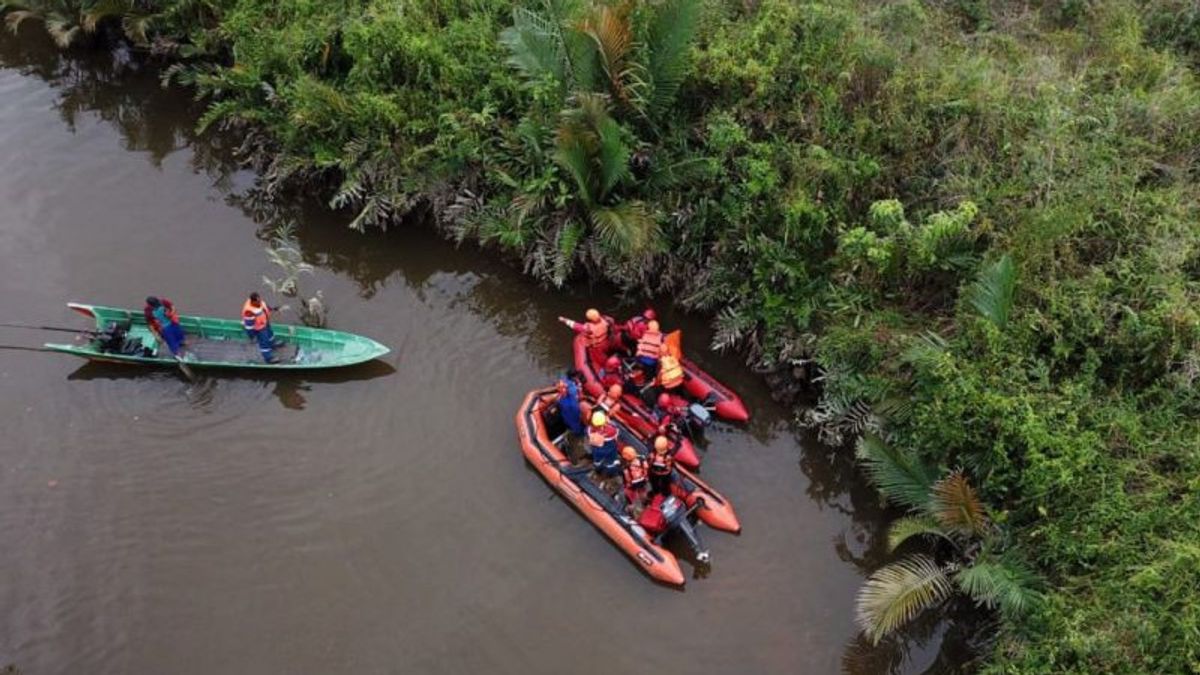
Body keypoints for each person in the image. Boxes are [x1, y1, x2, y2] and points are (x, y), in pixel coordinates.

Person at [241, 292, 280, 363]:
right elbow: (249, 326)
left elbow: (265, 307)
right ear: (253, 301)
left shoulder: (259, 302)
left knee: (270, 334)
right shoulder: (249, 311)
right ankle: (268, 358)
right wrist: (251, 335)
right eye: (257, 302)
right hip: (259, 328)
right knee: (264, 342)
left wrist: (273, 308)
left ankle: (273, 344)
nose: (259, 302)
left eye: (259, 300)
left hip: (264, 322)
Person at [587, 411, 621, 476]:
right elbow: (616, 432)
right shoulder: (611, 430)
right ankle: (610, 472)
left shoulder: (589, 429)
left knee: (597, 461)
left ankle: (598, 469)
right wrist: (610, 422)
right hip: (609, 450)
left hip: (597, 450)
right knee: (610, 462)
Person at [620, 445, 650, 510]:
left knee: (637, 491)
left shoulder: (625, 467)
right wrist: (646, 476)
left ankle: (638, 503)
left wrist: (628, 484)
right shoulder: (641, 458)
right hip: (643, 479)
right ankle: (645, 503)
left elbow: (627, 478)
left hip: (635, 482)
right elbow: (646, 467)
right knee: (642, 490)